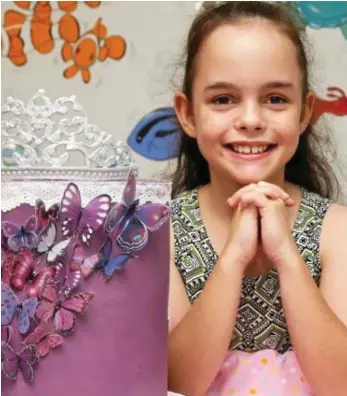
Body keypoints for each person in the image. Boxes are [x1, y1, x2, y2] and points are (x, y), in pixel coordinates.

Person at [168, 2, 347, 395]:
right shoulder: (163, 233)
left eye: (276, 99)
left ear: (305, 112)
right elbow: (178, 382)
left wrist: (287, 256)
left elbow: (340, 383)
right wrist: (232, 259)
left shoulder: (336, 230)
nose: (251, 119)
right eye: (223, 99)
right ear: (188, 113)